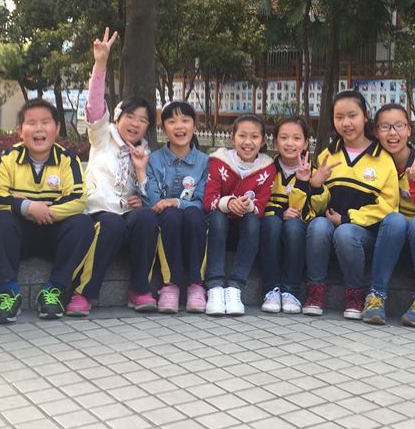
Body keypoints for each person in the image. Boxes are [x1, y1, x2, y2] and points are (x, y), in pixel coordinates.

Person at [71, 28, 159, 314]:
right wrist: (100, 64)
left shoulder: (144, 152)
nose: (135, 124)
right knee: (112, 224)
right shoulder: (102, 136)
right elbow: (95, 107)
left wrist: (141, 184)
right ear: (118, 117)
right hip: (100, 213)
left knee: (146, 218)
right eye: (130, 116)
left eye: (143, 120)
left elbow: (151, 198)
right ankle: (85, 293)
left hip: (127, 216)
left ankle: (140, 289)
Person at [0, 99, 95, 322]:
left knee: (83, 224)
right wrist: (27, 207)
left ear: (57, 127)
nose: (39, 129)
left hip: (53, 233)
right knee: (0, 219)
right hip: (18, 236)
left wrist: (44, 212)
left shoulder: (68, 160)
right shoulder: (7, 159)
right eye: (31, 123)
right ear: (20, 130)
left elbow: (78, 199)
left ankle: (54, 290)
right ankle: (7, 292)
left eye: (45, 122)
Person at [304, 91, 399, 319]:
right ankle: (315, 291)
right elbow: (319, 208)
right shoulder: (328, 155)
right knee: (317, 226)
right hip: (330, 229)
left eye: (352, 115)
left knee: (346, 232)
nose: (346, 123)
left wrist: (347, 219)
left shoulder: (383, 158)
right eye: (339, 117)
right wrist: (316, 186)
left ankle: (355, 294)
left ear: (365, 116)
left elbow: (388, 206)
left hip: (364, 235)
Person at [363, 104, 415, 327]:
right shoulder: (373, 163)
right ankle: (376, 296)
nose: (392, 133)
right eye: (385, 127)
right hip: (387, 236)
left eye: (399, 126)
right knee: (395, 219)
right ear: (376, 132)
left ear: (408, 129)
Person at [203, 114, 276, 316]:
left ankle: (235, 286)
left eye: (254, 136)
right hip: (218, 227)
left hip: (245, 230)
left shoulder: (268, 167)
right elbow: (208, 201)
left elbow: (260, 206)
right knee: (217, 217)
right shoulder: (219, 161)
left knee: (253, 220)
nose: (248, 142)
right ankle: (215, 286)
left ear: (263, 141)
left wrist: (246, 205)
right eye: (242, 135)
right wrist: (228, 203)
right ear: (232, 137)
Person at [144, 101, 209, 314]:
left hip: (193, 218)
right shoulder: (153, 160)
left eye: (185, 120)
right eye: (172, 122)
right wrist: (170, 205)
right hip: (165, 219)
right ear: (164, 128)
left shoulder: (205, 162)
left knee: (194, 215)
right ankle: (170, 285)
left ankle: (195, 285)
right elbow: (153, 200)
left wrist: (177, 202)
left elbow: (202, 200)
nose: (179, 126)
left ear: (195, 126)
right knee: (171, 216)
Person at [259, 117, 318, 314]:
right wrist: (279, 212)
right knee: (271, 223)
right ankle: (271, 289)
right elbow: (258, 201)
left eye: (296, 138)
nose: (290, 143)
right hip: (270, 224)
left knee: (294, 226)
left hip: (298, 227)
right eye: (284, 138)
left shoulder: (313, 172)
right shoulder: (265, 169)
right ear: (275, 142)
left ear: (306, 143)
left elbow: (313, 210)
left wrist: (304, 182)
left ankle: (291, 291)